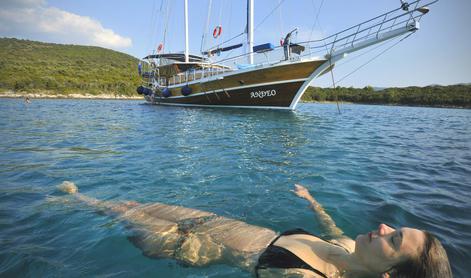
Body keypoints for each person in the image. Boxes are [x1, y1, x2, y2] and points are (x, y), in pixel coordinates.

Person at [58, 182, 452, 278]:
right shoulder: (349, 244)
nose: (384, 227)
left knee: (110, 212)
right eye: (394, 227)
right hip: (213, 221)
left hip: (193, 244)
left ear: (389, 274)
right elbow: (330, 227)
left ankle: (72, 199)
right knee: (133, 205)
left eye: (395, 239)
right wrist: (312, 201)